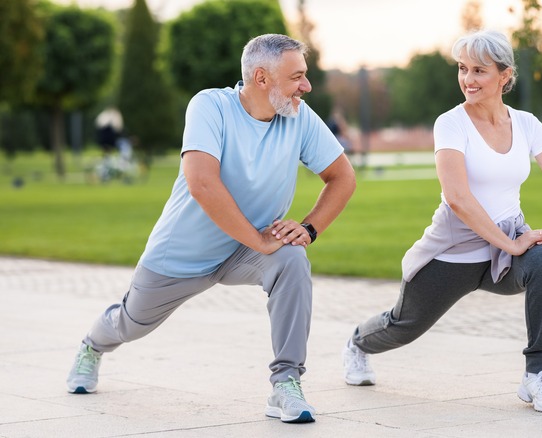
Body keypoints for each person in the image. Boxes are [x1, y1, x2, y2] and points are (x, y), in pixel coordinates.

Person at [66, 34, 356, 424]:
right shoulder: (210, 106)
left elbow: (342, 177)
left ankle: (286, 383)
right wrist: (257, 239)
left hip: (247, 253)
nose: (306, 86)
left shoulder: (298, 116)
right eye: (297, 77)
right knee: (130, 323)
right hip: (184, 253)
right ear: (261, 78)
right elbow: (203, 183)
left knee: (291, 260)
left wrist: (308, 228)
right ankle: (91, 346)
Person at [341, 30, 542, 414]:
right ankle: (357, 344)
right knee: (404, 325)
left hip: (505, 250)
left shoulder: (527, 124)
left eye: (479, 71)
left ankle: (537, 374)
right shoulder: (450, 124)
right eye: (462, 68)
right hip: (453, 252)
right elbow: (458, 197)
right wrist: (514, 244)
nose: (468, 79)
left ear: (504, 76)